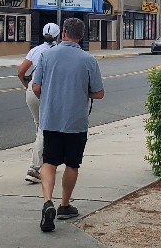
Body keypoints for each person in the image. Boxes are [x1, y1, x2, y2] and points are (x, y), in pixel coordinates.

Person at [31, 18, 104, 232]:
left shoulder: (46, 55)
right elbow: (99, 93)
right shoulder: (88, 60)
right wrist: (84, 92)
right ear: (81, 36)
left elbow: (36, 87)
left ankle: (47, 201)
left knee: (49, 162)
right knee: (72, 164)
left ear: (63, 33)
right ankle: (64, 205)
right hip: (76, 121)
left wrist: (49, 94)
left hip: (51, 118)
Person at [16, 22, 61, 184]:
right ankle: (34, 168)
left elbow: (20, 72)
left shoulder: (34, 50)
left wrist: (27, 86)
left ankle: (47, 161)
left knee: (40, 128)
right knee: (45, 129)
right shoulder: (57, 51)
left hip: (31, 91)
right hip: (46, 93)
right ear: (58, 35)